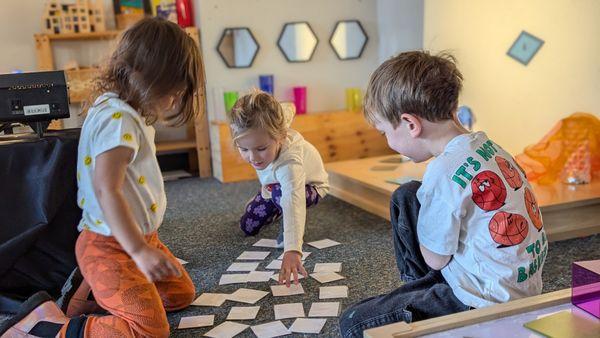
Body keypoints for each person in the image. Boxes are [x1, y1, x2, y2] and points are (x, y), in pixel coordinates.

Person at [0, 17, 204, 338]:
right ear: (141, 75)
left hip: (139, 239)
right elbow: (107, 189)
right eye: (172, 91)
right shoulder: (118, 120)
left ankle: (87, 292)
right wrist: (138, 251)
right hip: (110, 246)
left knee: (180, 295)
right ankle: (48, 326)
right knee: (150, 330)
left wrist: (144, 246)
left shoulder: (118, 107)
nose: (174, 100)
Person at [339, 51, 548, 337]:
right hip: (516, 285)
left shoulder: (443, 171)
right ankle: (420, 291)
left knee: (353, 322)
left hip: (481, 301)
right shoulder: (488, 146)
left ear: (411, 124)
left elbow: (436, 259)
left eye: (384, 132)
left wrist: (431, 232)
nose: (387, 142)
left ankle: (426, 313)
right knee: (407, 195)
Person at [227, 91, 329, 286]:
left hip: (310, 187)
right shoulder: (274, 122)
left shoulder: (290, 164)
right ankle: (273, 203)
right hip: (273, 185)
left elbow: (293, 200)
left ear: (280, 136)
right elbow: (288, 107)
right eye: (244, 149)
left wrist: (292, 249)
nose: (253, 158)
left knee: (282, 195)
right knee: (247, 227)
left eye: (261, 149)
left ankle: (279, 210)